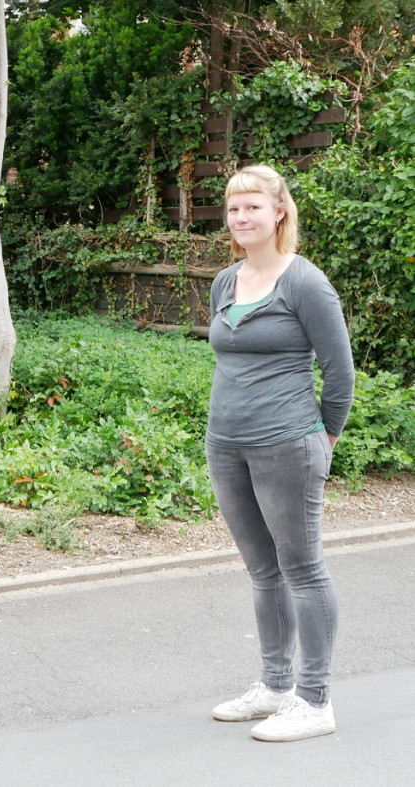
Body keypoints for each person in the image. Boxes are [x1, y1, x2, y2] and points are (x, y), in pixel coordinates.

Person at [206, 164, 354, 742]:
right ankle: (274, 686)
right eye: (234, 209)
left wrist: (326, 438)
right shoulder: (225, 281)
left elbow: (339, 371)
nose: (242, 218)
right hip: (227, 444)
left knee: (303, 568)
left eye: (253, 208)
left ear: (279, 213)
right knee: (262, 570)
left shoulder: (305, 283)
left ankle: (315, 700)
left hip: (288, 444)